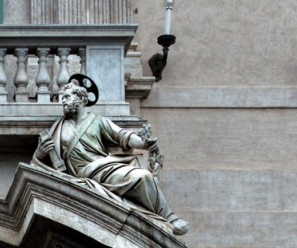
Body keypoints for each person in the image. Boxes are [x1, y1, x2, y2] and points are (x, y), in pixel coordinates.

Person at [32, 78, 188, 235]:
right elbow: (36, 164)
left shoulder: (97, 121)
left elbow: (122, 136)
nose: (63, 101)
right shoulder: (56, 129)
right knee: (143, 177)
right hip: (81, 175)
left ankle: (169, 217)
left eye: (67, 97)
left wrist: (143, 144)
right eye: (62, 98)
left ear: (81, 99)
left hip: (102, 168)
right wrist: (40, 153)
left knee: (144, 177)